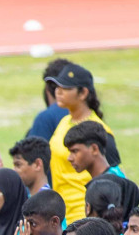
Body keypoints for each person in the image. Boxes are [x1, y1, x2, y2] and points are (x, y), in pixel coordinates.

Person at [44, 64, 110, 223]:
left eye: (65, 87)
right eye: (57, 86)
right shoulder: (65, 122)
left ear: (83, 93)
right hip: (61, 213)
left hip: (82, 215)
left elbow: (111, 174)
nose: (58, 91)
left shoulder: (99, 130)